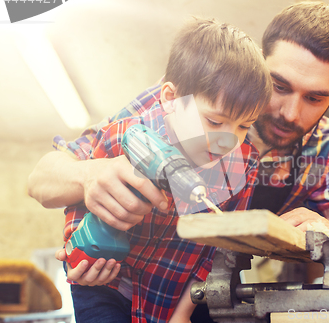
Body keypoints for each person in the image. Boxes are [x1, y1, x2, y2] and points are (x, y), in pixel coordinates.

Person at [28, 0, 329, 320]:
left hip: (198, 293)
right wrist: (90, 175)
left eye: (315, 98)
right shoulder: (185, 102)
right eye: (278, 86)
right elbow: (42, 178)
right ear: (259, 66)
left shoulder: (325, 149)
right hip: (120, 285)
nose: (290, 114)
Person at [47, 17, 272, 323]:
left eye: (244, 126)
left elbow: (216, 253)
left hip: (175, 290)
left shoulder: (243, 165)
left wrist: (181, 316)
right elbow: (81, 201)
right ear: (171, 99)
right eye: (215, 122)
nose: (227, 141)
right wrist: (79, 252)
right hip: (107, 284)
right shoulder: (124, 135)